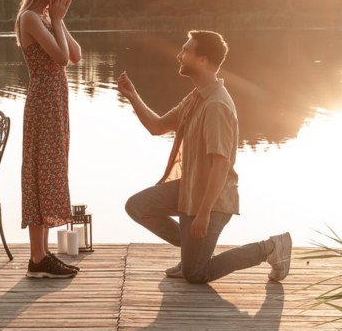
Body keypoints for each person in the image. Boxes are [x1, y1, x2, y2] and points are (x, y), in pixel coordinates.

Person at [117, 30, 291, 284]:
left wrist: (204, 213)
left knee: (195, 274)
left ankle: (271, 247)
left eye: (186, 51)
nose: (179, 55)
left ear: (202, 60)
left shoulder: (216, 105)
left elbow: (221, 165)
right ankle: (192, 251)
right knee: (137, 207)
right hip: (190, 189)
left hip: (213, 198)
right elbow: (156, 127)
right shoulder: (196, 97)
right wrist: (133, 96)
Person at [15, 0, 83, 279]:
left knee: (52, 170)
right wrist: (55, 19)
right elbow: (58, 58)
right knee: (41, 172)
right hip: (43, 103)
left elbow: (75, 54)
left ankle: (41, 257)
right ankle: (37, 257)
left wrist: (59, 19)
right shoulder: (30, 17)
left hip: (56, 103)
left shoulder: (46, 17)